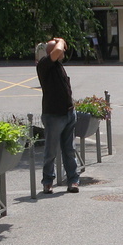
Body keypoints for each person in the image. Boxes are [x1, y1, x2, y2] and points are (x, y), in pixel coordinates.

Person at [36, 37, 79, 194]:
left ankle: (73, 180)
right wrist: (60, 40)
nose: (63, 52)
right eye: (61, 50)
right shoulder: (44, 65)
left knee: (69, 150)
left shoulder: (58, 65)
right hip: (53, 116)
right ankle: (48, 181)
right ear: (51, 52)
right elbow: (59, 49)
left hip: (68, 113)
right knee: (51, 151)